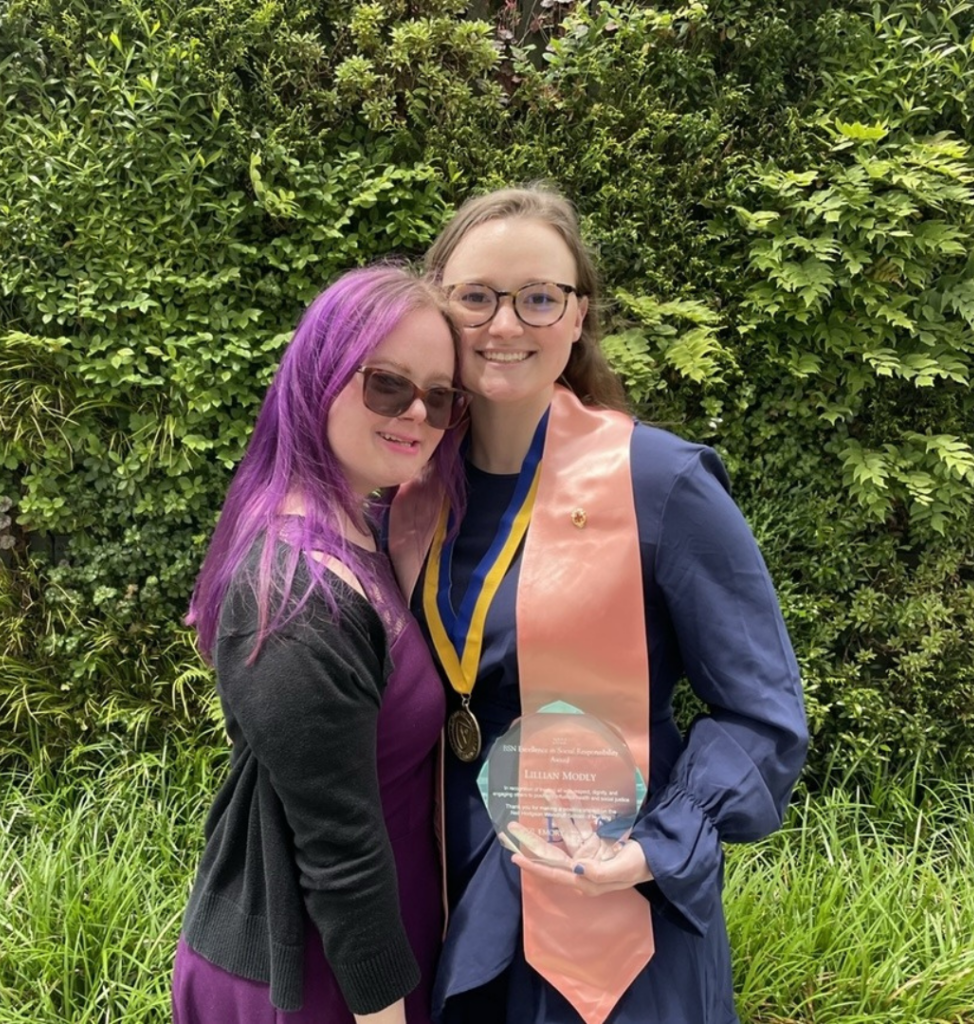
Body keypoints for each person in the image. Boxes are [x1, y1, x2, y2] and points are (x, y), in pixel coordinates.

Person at [386, 186, 809, 1024]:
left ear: (578, 317)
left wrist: (656, 844)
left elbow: (763, 714)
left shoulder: (659, 484)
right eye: (475, 297)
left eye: (539, 298)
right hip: (447, 893)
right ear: (437, 308)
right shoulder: (410, 489)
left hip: (612, 916)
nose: (505, 325)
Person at [172, 265, 472, 1024]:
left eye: (440, 397)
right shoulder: (294, 593)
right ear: (319, 376)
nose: (417, 414)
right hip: (314, 977)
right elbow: (339, 852)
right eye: (386, 384)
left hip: (365, 953)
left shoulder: (360, 529)